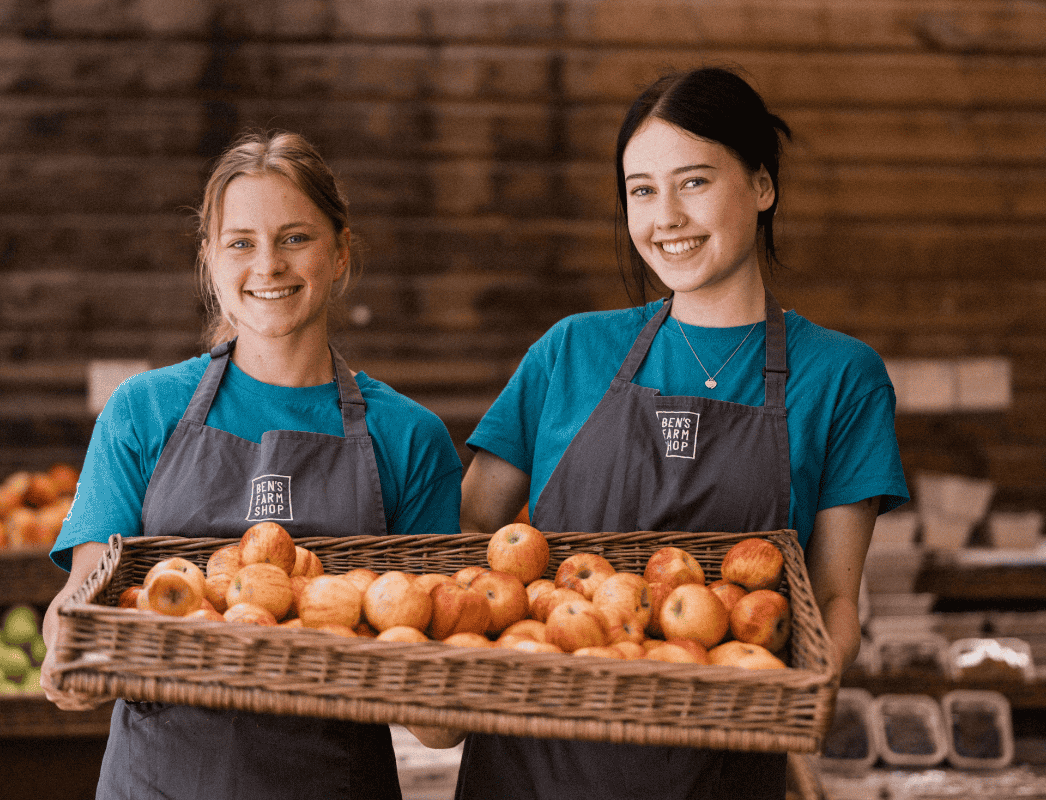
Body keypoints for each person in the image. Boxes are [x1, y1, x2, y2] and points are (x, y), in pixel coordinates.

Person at [450, 67, 910, 799]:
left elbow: (832, 599)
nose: (665, 217)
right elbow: (474, 531)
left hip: (721, 764)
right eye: (641, 191)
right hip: (535, 763)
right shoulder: (571, 352)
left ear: (762, 186)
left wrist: (798, 691)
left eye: (693, 182)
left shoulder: (841, 376)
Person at [40, 131, 463, 799]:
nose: (268, 265)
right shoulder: (142, 411)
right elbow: (82, 597)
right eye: (241, 243)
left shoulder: (409, 437)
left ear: (339, 252)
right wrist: (72, 649)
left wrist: (437, 686)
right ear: (209, 260)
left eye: (295, 238)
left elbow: (438, 725)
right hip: (157, 784)